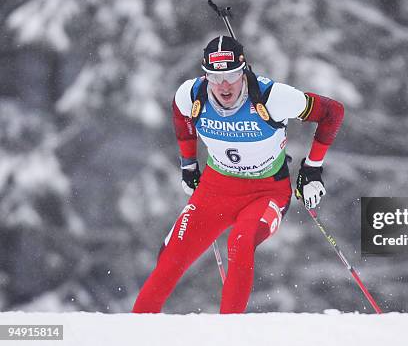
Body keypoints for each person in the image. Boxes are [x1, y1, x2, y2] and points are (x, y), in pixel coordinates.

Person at [132, 35, 344, 313]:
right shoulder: (191, 94)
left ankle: (229, 334)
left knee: (241, 242)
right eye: (215, 76)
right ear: (206, 74)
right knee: (172, 256)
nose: (223, 85)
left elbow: (332, 112)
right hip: (216, 188)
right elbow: (180, 116)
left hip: (267, 191)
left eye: (231, 75)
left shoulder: (273, 97)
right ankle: (135, 330)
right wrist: (188, 165)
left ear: (243, 70)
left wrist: (312, 168)